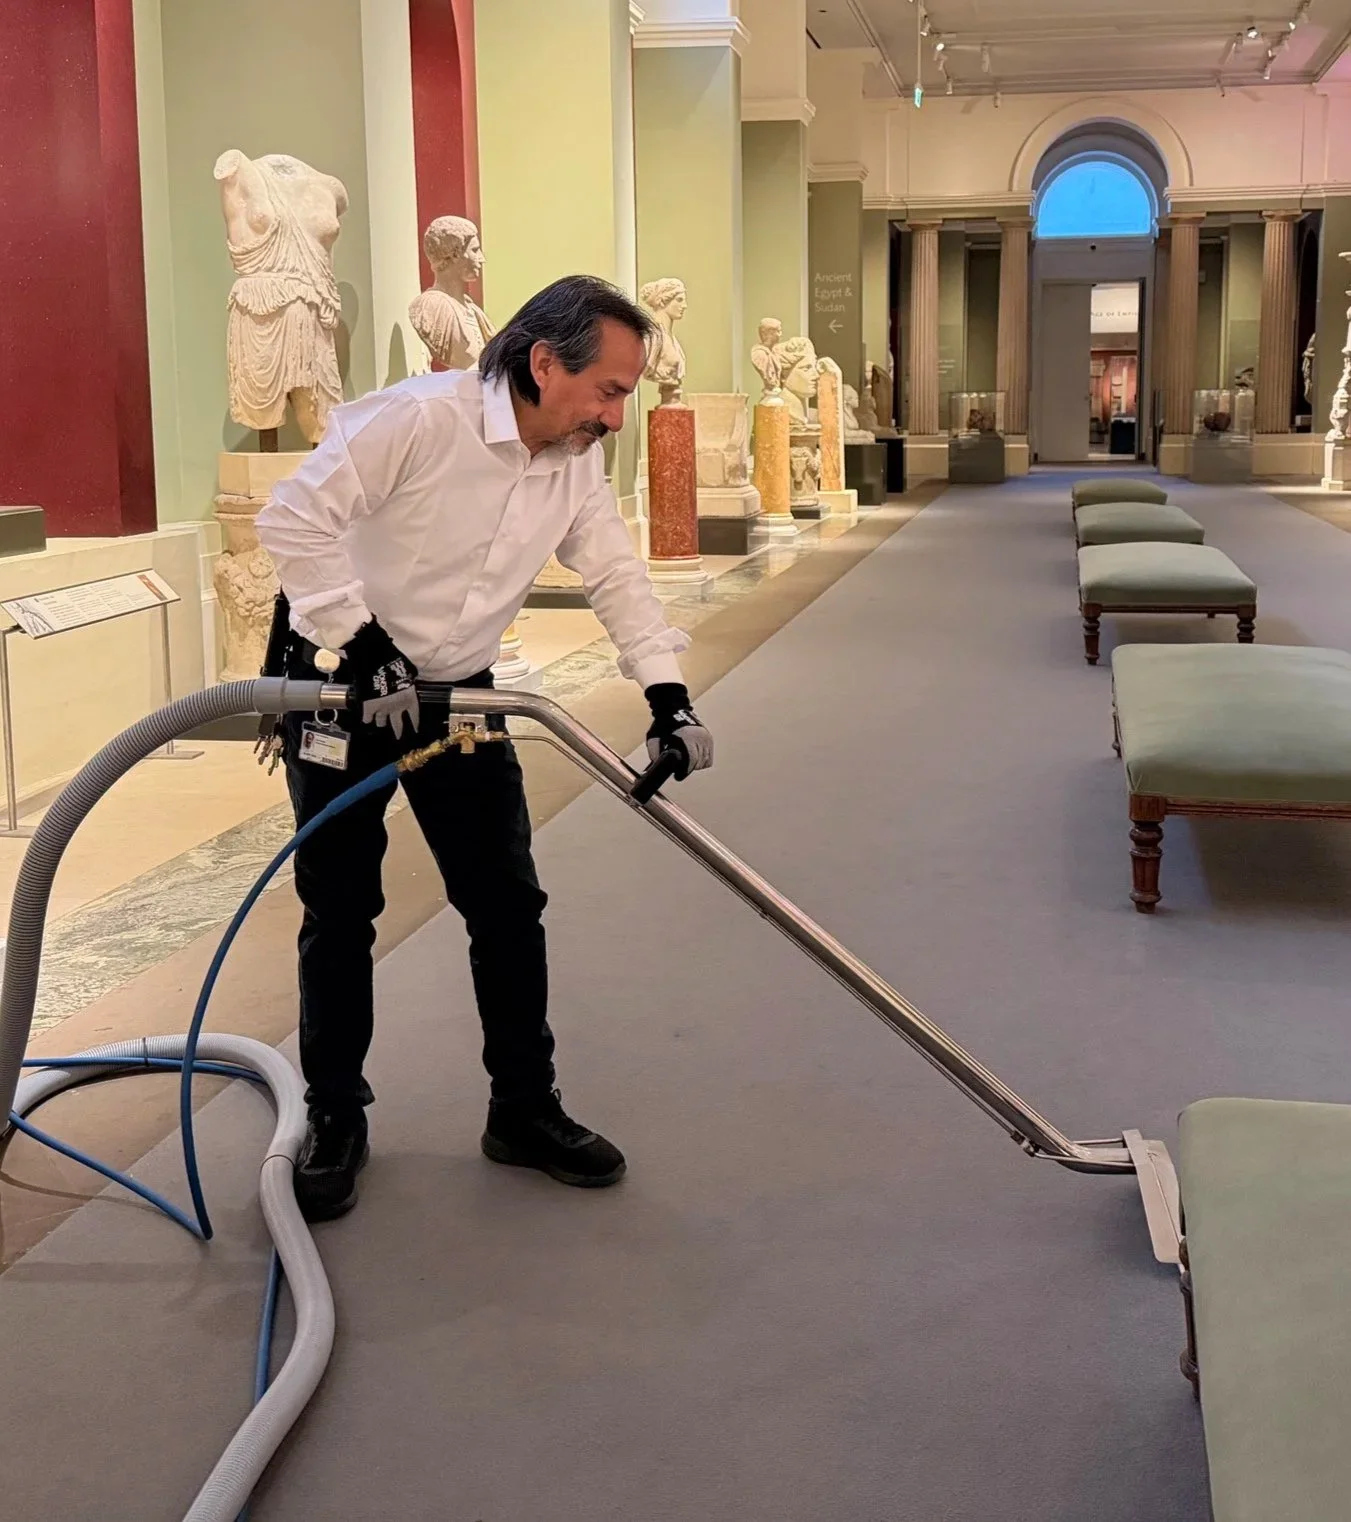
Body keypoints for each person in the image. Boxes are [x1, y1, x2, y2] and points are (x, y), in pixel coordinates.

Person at [255, 274, 714, 1221]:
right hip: (344, 684)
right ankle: (334, 1114)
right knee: (341, 906)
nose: (615, 418)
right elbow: (292, 518)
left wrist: (667, 697)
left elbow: (613, 571)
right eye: (609, 391)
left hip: (461, 691)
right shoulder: (420, 419)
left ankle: (523, 1108)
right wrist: (363, 643)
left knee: (505, 902)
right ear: (544, 363)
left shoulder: (572, 460)